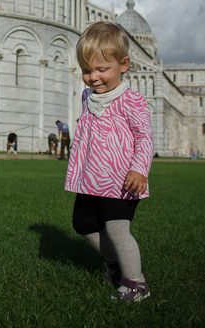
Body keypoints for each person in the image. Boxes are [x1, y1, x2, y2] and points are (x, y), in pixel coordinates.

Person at [65, 21, 153, 303]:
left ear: (124, 65)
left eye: (102, 70)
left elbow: (145, 138)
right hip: (90, 179)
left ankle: (136, 284)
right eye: (87, 70)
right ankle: (116, 265)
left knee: (117, 228)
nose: (93, 77)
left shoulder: (133, 101)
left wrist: (140, 169)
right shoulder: (87, 96)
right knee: (84, 226)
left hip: (122, 180)